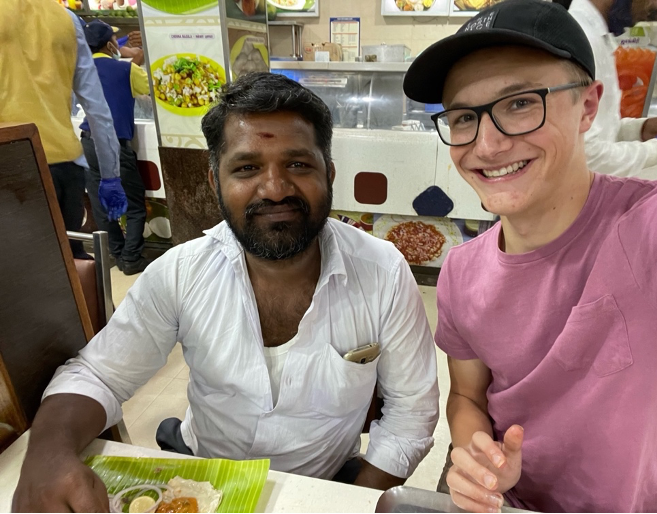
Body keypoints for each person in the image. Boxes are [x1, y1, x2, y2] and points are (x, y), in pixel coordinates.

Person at [12, 72, 440, 512]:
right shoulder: (180, 273)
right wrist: (48, 455)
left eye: (298, 164)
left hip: (325, 481)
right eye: (247, 168)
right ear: (215, 180)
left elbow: (412, 413)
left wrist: (353, 499)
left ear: (328, 174)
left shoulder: (383, 272)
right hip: (202, 479)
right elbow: (98, 375)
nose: (274, 188)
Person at [403, 0, 657, 512]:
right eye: (464, 117)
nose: (487, 145)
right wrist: (477, 457)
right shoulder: (462, 273)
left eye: (520, 103)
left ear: (588, 106)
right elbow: (467, 396)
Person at [0, 0, 127, 260]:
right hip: (66, 167)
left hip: (11, 163)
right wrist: (110, 176)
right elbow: (97, 108)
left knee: (19, 277)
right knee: (68, 263)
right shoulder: (66, 18)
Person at [563, 0, 657, 176]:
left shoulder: (598, 37)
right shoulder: (581, 39)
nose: (656, 4)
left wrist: (639, 130)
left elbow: (596, 128)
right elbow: (588, 156)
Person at [81, 20, 151, 275]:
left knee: (102, 204)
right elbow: (149, 90)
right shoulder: (125, 69)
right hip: (113, 144)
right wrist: (139, 61)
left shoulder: (80, 69)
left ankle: (117, 252)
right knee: (133, 204)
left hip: (88, 142)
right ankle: (131, 258)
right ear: (110, 43)